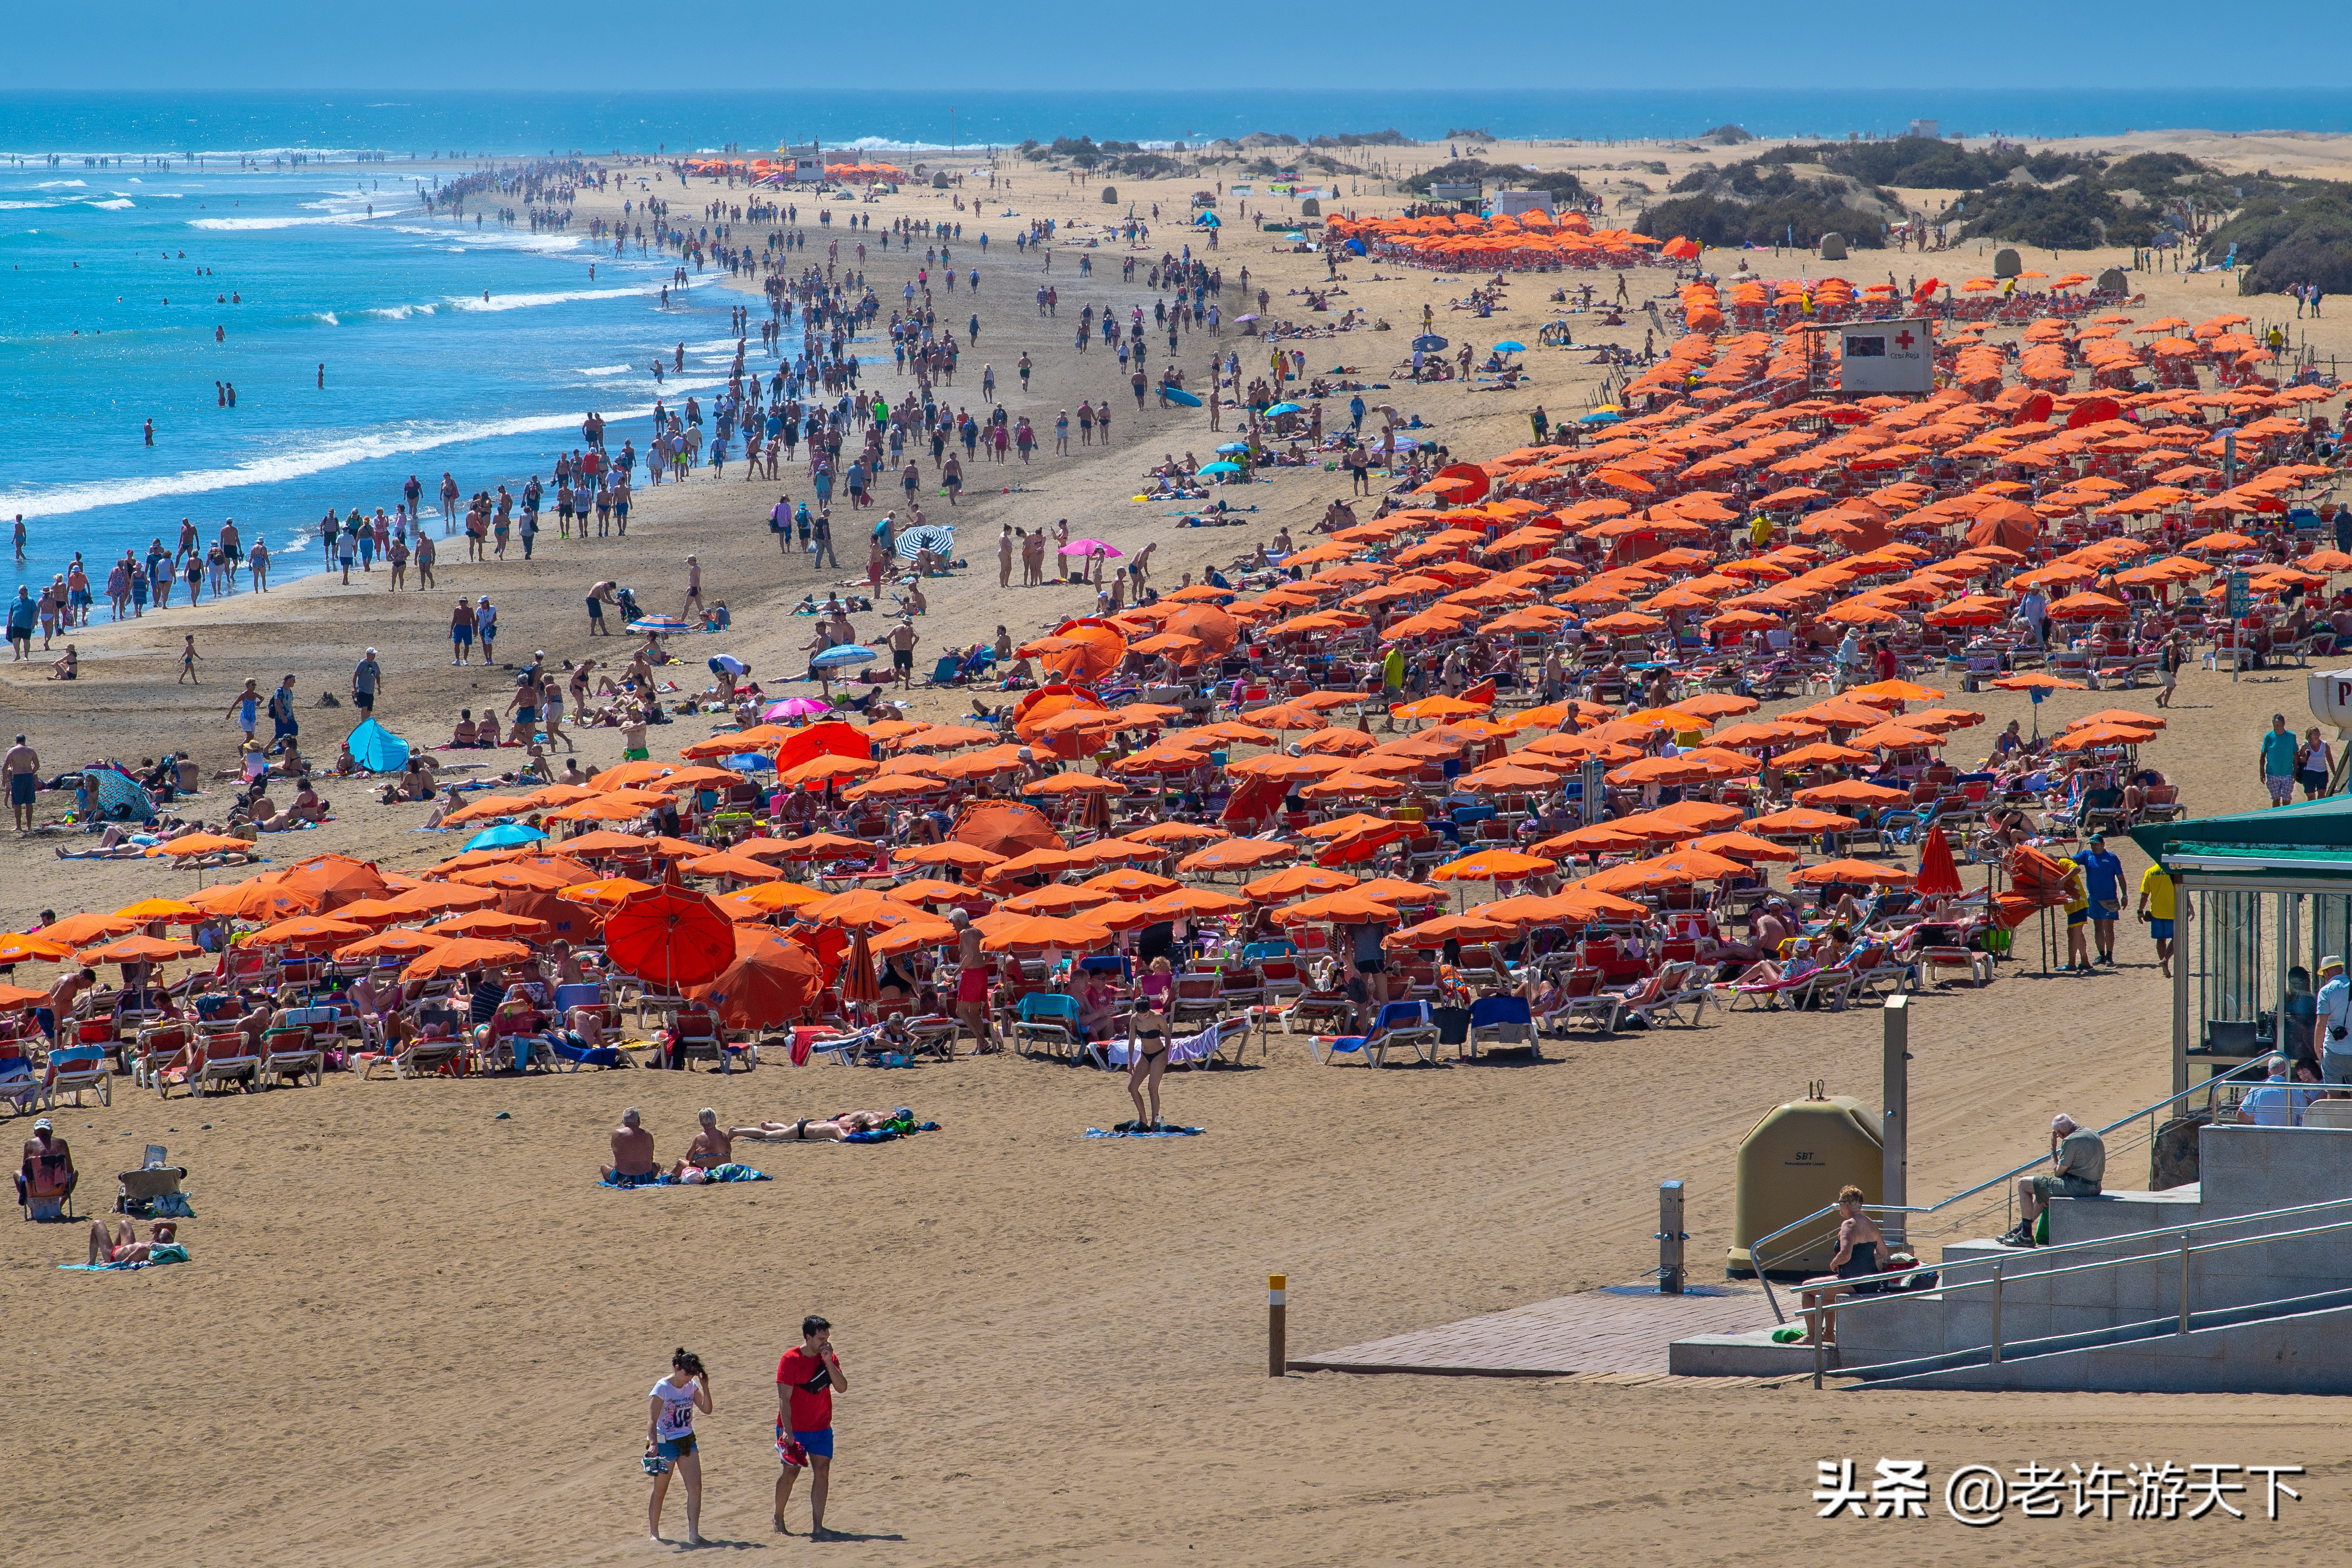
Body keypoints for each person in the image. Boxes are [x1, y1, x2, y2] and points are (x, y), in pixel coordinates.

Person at [775, 1315, 847, 1537]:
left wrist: (828, 1362)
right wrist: (788, 1431)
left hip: (822, 1427)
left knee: (823, 1472)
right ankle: (779, 1516)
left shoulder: (828, 1358)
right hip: (795, 1429)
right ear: (808, 1337)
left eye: (827, 1338)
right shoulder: (790, 1359)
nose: (826, 1342)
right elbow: (784, 1399)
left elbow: (842, 1387)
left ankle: (818, 1526)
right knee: (791, 1473)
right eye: (821, 1339)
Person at [1795, 1184, 1884, 1345]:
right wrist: (1867, 1260)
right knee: (1827, 1291)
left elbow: (1845, 1255)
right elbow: (1883, 1252)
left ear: (1847, 1204)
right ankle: (1829, 1333)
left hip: (1854, 1282)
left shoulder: (1849, 1225)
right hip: (1871, 1282)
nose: (1839, 1206)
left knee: (1807, 1289)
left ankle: (1812, 1336)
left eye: (1840, 1203)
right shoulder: (1871, 1223)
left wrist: (1834, 1263)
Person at [1999, 1114, 2104, 1247]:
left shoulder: (2070, 1140)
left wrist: (2053, 1150)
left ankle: (2026, 1236)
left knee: (2023, 1184)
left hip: (2079, 1187)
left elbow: (2058, 1173)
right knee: (2042, 1189)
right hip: (2095, 1187)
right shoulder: (2092, 1133)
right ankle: (2020, 1230)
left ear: (2060, 1133)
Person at [646, 1349, 712, 1547]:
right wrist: (653, 1444)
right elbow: (652, 1420)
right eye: (686, 1374)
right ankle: (654, 1533)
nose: (688, 1378)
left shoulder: (691, 1386)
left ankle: (694, 1534)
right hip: (665, 1443)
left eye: (692, 1375)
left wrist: (705, 1387)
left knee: (696, 1487)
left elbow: (707, 1409)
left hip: (687, 1440)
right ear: (677, 1367)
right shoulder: (662, 1387)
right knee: (660, 1490)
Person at [2071, 832, 2124, 967]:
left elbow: (2121, 877)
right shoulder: (2087, 856)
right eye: (2092, 845)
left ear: (2103, 844)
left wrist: (2125, 895)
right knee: (2098, 927)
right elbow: (2071, 861)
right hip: (2094, 899)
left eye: (2096, 844)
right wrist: (2055, 858)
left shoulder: (2112, 858)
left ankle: (2110, 955)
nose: (2094, 847)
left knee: (2109, 927)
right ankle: (2102, 955)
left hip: (2109, 899)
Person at [1125, 982, 1173, 1131]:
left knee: (1152, 1088)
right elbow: (1132, 1041)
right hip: (1145, 1054)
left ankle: (1155, 1121)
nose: (1143, 1017)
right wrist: (1130, 1061)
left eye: (1145, 1015)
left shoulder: (1158, 1018)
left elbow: (1168, 1036)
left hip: (1159, 1054)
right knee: (1132, 1087)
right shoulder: (1134, 1019)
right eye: (1141, 1015)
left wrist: (1166, 1055)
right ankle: (1143, 1118)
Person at [947, 909, 994, 1053]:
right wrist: (981, 964)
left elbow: (969, 956)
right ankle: (980, 1047)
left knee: (961, 1011)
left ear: (959, 921)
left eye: (953, 923)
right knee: (974, 1012)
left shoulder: (965, 933)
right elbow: (989, 953)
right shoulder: (978, 932)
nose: (953, 926)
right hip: (981, 973)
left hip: (972, 974)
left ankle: (982, 1040)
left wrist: (956, 973)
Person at [2137, 862, 2190, 979]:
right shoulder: (2173, 870)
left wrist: (2140, 911)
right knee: (2177, 938)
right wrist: (2189, 905)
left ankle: (2165, 966)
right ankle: (2165, 960)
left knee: (2161, 940)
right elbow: (2183, 888)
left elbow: (2145, 894)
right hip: (2174, 911)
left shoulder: (2150, 872)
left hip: (2157, 912)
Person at [2236, 1054, 2318, 1127]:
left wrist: (2259, 1116)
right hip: (2289, 1134)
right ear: (2287, 1072)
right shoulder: (2297, 1090)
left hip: (2263, 1135)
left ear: (2269, 1073)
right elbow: (2305, 1118)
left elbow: (2241, 1116)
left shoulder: (2257, 1089)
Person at [17, 1116, 75, 1216]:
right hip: (58, 1188)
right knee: (76, 1173)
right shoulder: (62, 1143)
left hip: (35, 1189)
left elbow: (24, 1172)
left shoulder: (29, 1145)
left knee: (16, 1174)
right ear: (51, 1132)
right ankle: (59, 1207)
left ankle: (32, 1210)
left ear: (35, 1133)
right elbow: (70, 1170)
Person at [602, 1107, 660, 1186]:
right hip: (644, 1178)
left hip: (620, 1177)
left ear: (623, 1122)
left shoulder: (617, 1134)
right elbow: (651, 1158)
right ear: (639, 1121)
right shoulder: (648, 1135)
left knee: (604, 1167)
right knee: (657, 1166)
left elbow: (617, 1155)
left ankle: (614, 1183)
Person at [85, 1216, 177, 1264]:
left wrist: (109, 1264)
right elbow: (174, 1226)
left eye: (159, 1231)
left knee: (97, 1224)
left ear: (157, 1239)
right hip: (127, 1247)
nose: (156, 1231)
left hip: (113, 1256)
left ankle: (91, 1261)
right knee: (124, 1224)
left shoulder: (145, 1249)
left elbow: (125, 1262)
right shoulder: (166, 1244)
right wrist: (160, 1225)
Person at [2260, 713, 2300, 807]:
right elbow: (2263, 755)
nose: (2276, 728)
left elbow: (2296, 755)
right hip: (2272, 774)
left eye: (2278, 725)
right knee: (2276, 799)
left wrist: (2295, 772)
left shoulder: (2291, 737)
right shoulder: (2268, 737)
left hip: (2288, 773)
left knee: (2287, 799)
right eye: (2274, 726)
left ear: (2283, 724)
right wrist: (2262, 771)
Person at [3, 733, 39, 832]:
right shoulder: (31, 750)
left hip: (18, 777)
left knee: (17, 803)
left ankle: (18, 826)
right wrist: (31, 773)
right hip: (28, 776)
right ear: (25, 741)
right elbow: (37, 765)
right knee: (29, 803)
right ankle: (29, 826)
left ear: (16, 741)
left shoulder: (12, 751)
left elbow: (5, 766)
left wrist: (4, 778)